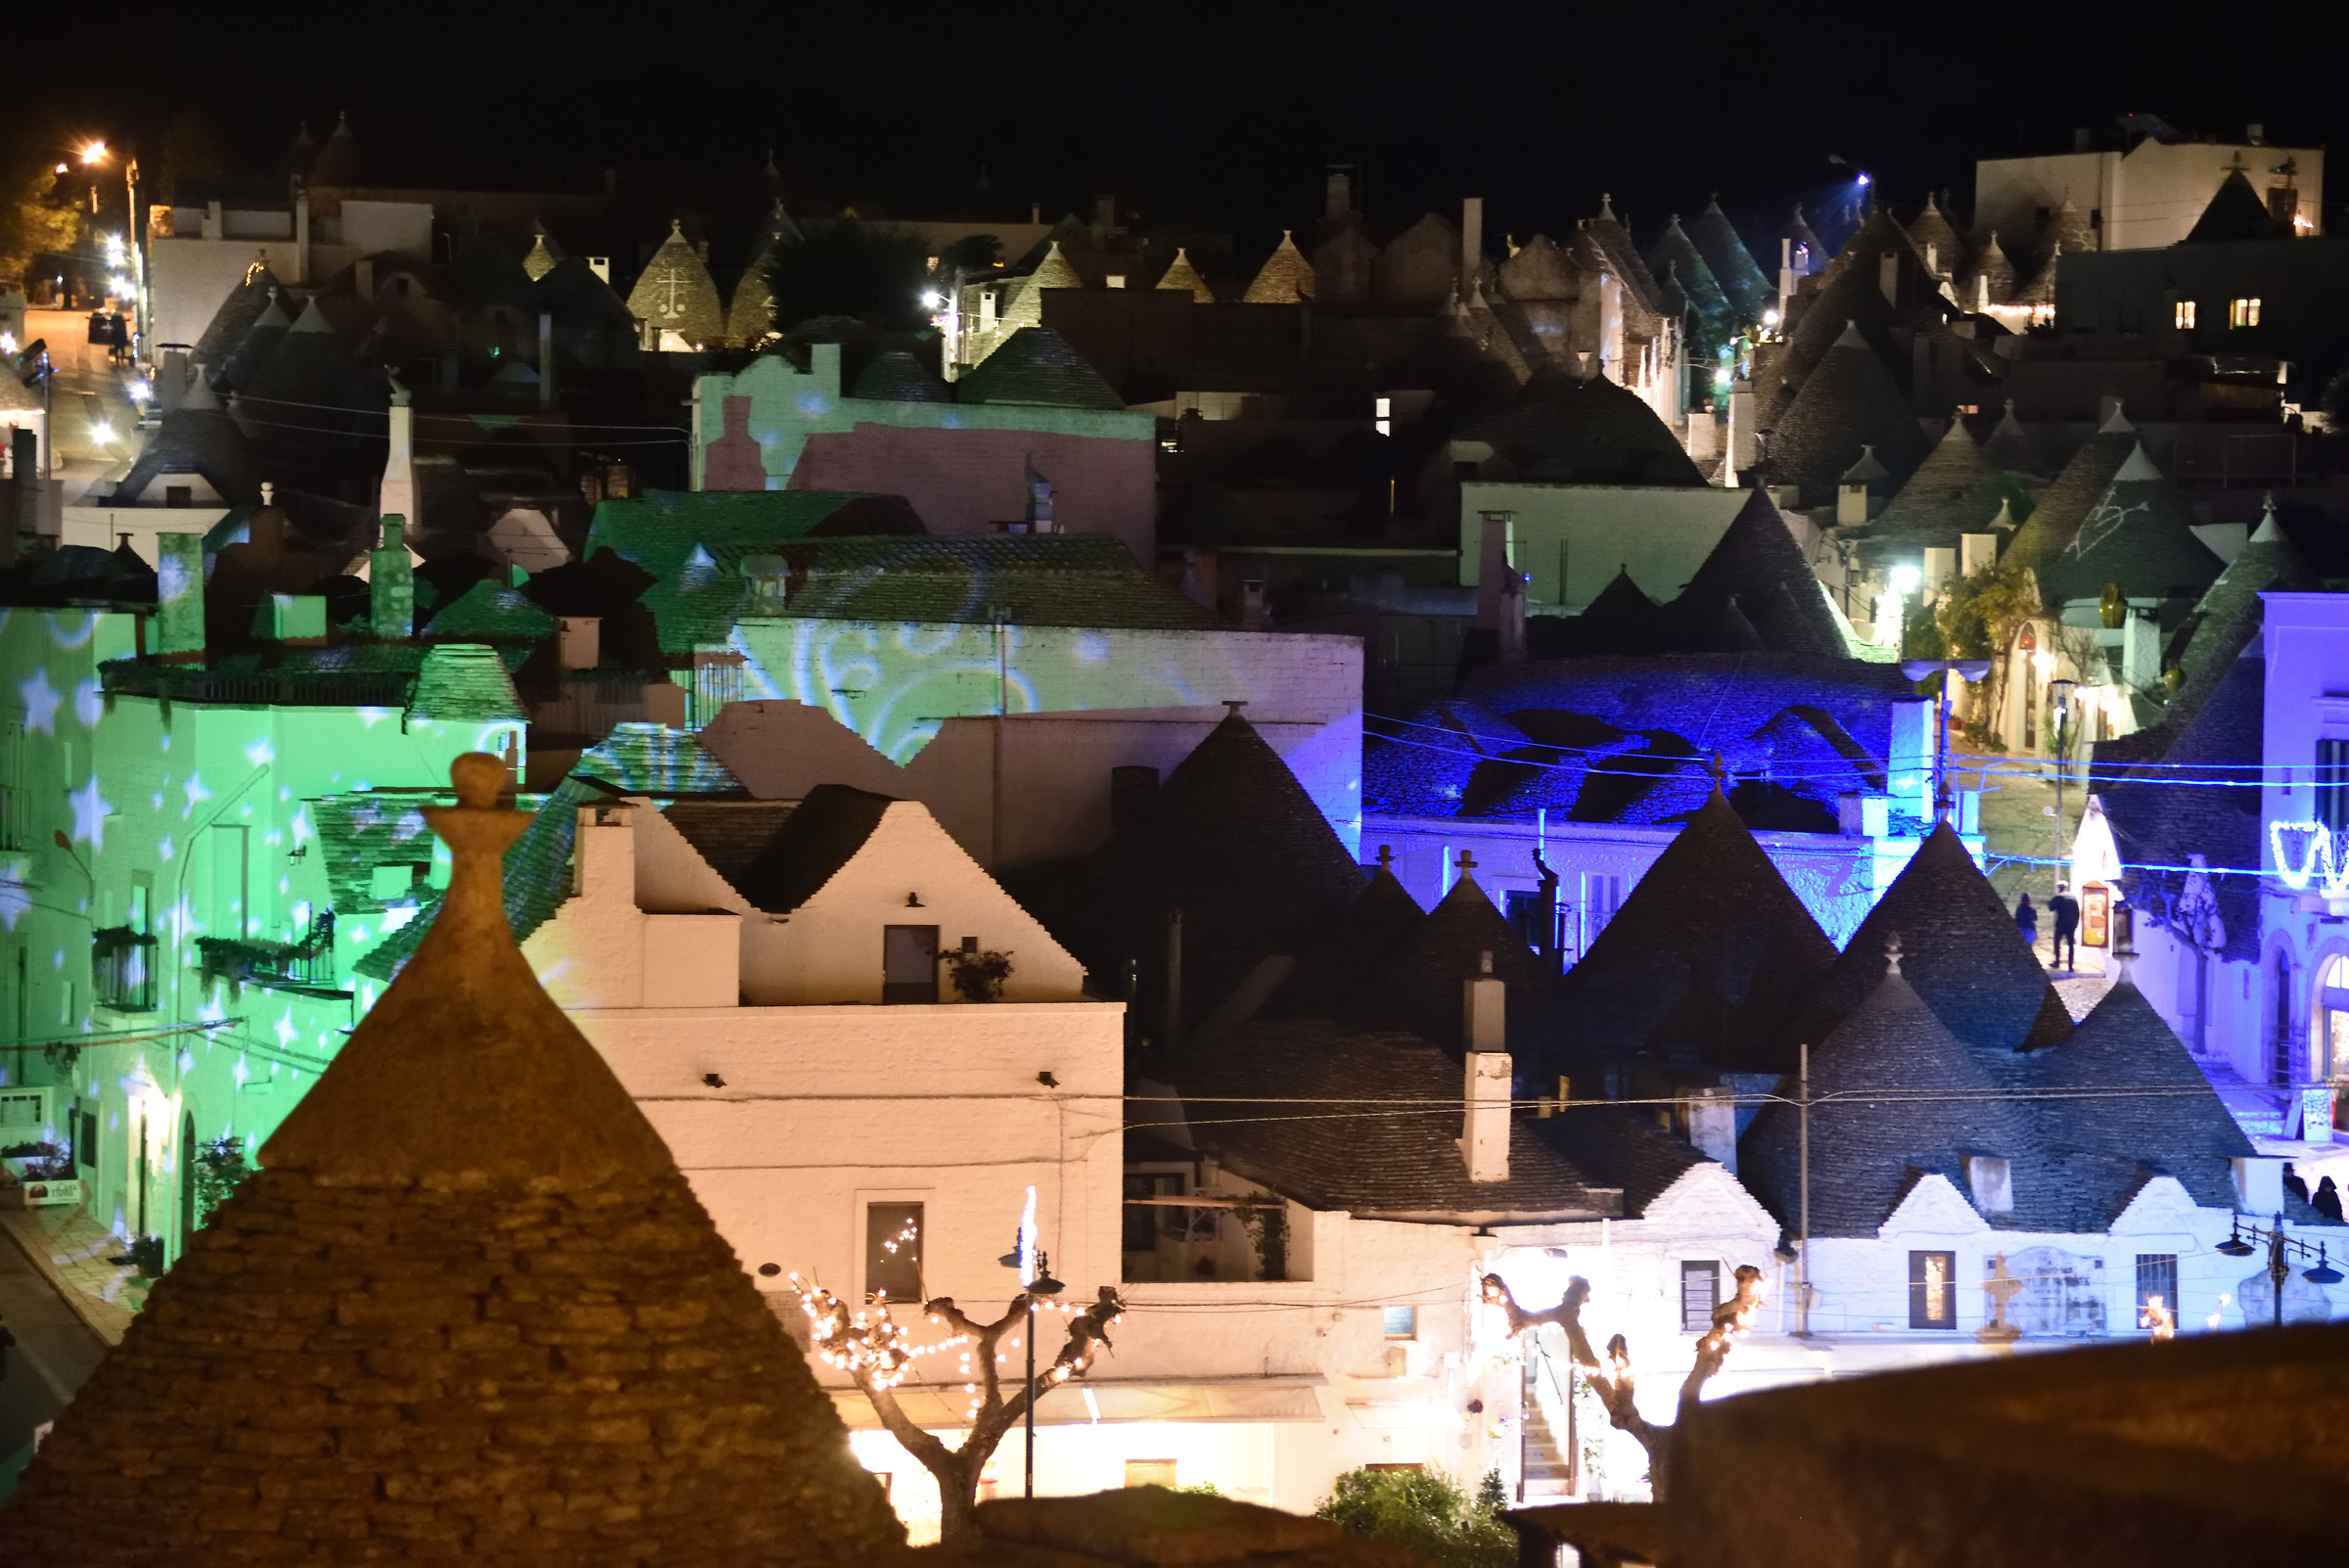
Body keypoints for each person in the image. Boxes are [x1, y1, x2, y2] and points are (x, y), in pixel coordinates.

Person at [2048, 883, 2081, 971]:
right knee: (2071, 945)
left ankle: (2057, 962)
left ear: (2059, 888)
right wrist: (2075, 924)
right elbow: (2077, 912)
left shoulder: (2059, 897)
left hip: (2061, 923)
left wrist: (2050, 901)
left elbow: (2051, 908)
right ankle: (2070, 966)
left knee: (2057, 943)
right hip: (2071, 925)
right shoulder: (2073, 897)